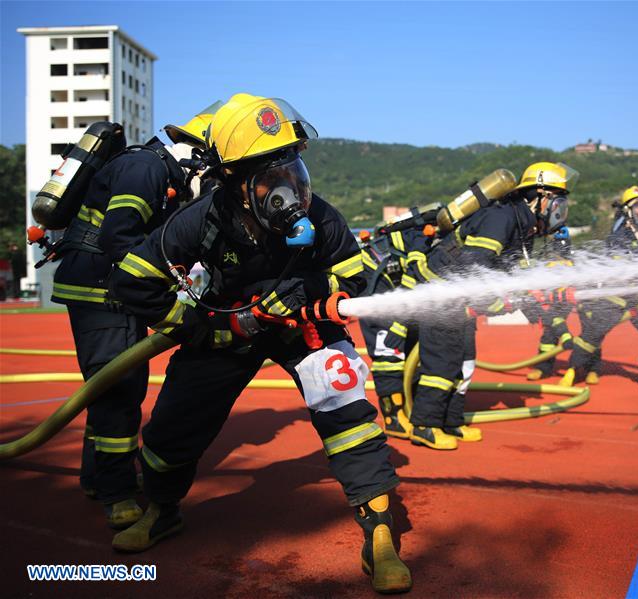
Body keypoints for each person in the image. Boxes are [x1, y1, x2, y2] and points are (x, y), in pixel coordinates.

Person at [106, 93, 411, 594]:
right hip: (229, 330)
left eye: (292, 169)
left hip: (303, 327)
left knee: (348, 414)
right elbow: (132, 282)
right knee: (176, 421)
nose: (288, 187)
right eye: (271, 176)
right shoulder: (197, 221)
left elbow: (358, 280)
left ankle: (379, 532)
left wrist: (310, 291)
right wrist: (205, 328)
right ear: (235, 183)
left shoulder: (325, 219)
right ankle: (160, 510)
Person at [50, 104, 217, 530]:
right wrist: (158, 289)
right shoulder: (145, 170)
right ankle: (118, 493)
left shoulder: (158, 174)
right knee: (120, 389)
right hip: (101, 291)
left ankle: (97, 476)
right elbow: (119, 236)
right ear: (196, 155)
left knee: (108, 386)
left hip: (108, 289)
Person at [407, 162, 577, 450]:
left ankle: (451, 421)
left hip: (459, 303)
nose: (559, 210)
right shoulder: (501, 219)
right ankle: (425, 426)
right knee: (441, 365)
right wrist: (499, 303)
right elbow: (474, 268)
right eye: (556, 201)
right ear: (539, 197)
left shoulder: (523, 228)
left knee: (464, 363)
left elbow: (513, 278)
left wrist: (538, 305)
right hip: (440, 296)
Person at [561, 185, 638, 390]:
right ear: (628, 213)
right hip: (616, 296)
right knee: (592, 336)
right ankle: (573, 371)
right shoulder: (618, 238)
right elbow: (623, 272)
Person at [356, 226, 436, 439]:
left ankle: (411, 407)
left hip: (394, 287)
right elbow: (416, 275)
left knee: (412, 349)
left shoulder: (430, 240)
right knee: (388, 353)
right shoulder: (426, 242)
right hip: (376, 289)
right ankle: (392, 418)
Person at [523, 227, 575, 381]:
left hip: (565, 299)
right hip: (551, 300)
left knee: (592, 332)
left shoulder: (572, 262)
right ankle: (544, 367)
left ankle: (586, 365)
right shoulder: (547, 260)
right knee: (549, 333)